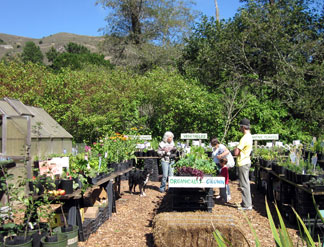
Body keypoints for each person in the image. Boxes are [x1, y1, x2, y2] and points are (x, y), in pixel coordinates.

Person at [234, 118, 253, 210]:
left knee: (244, 184)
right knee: (245, 183)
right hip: (246, 161)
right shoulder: (250, 136)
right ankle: (245, 202)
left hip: (243, 162)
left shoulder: (244, 138)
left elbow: (236, 153)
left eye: (240, 127)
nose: (240, 128)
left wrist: (235, 149)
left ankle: (247, 205)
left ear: (243, 127)